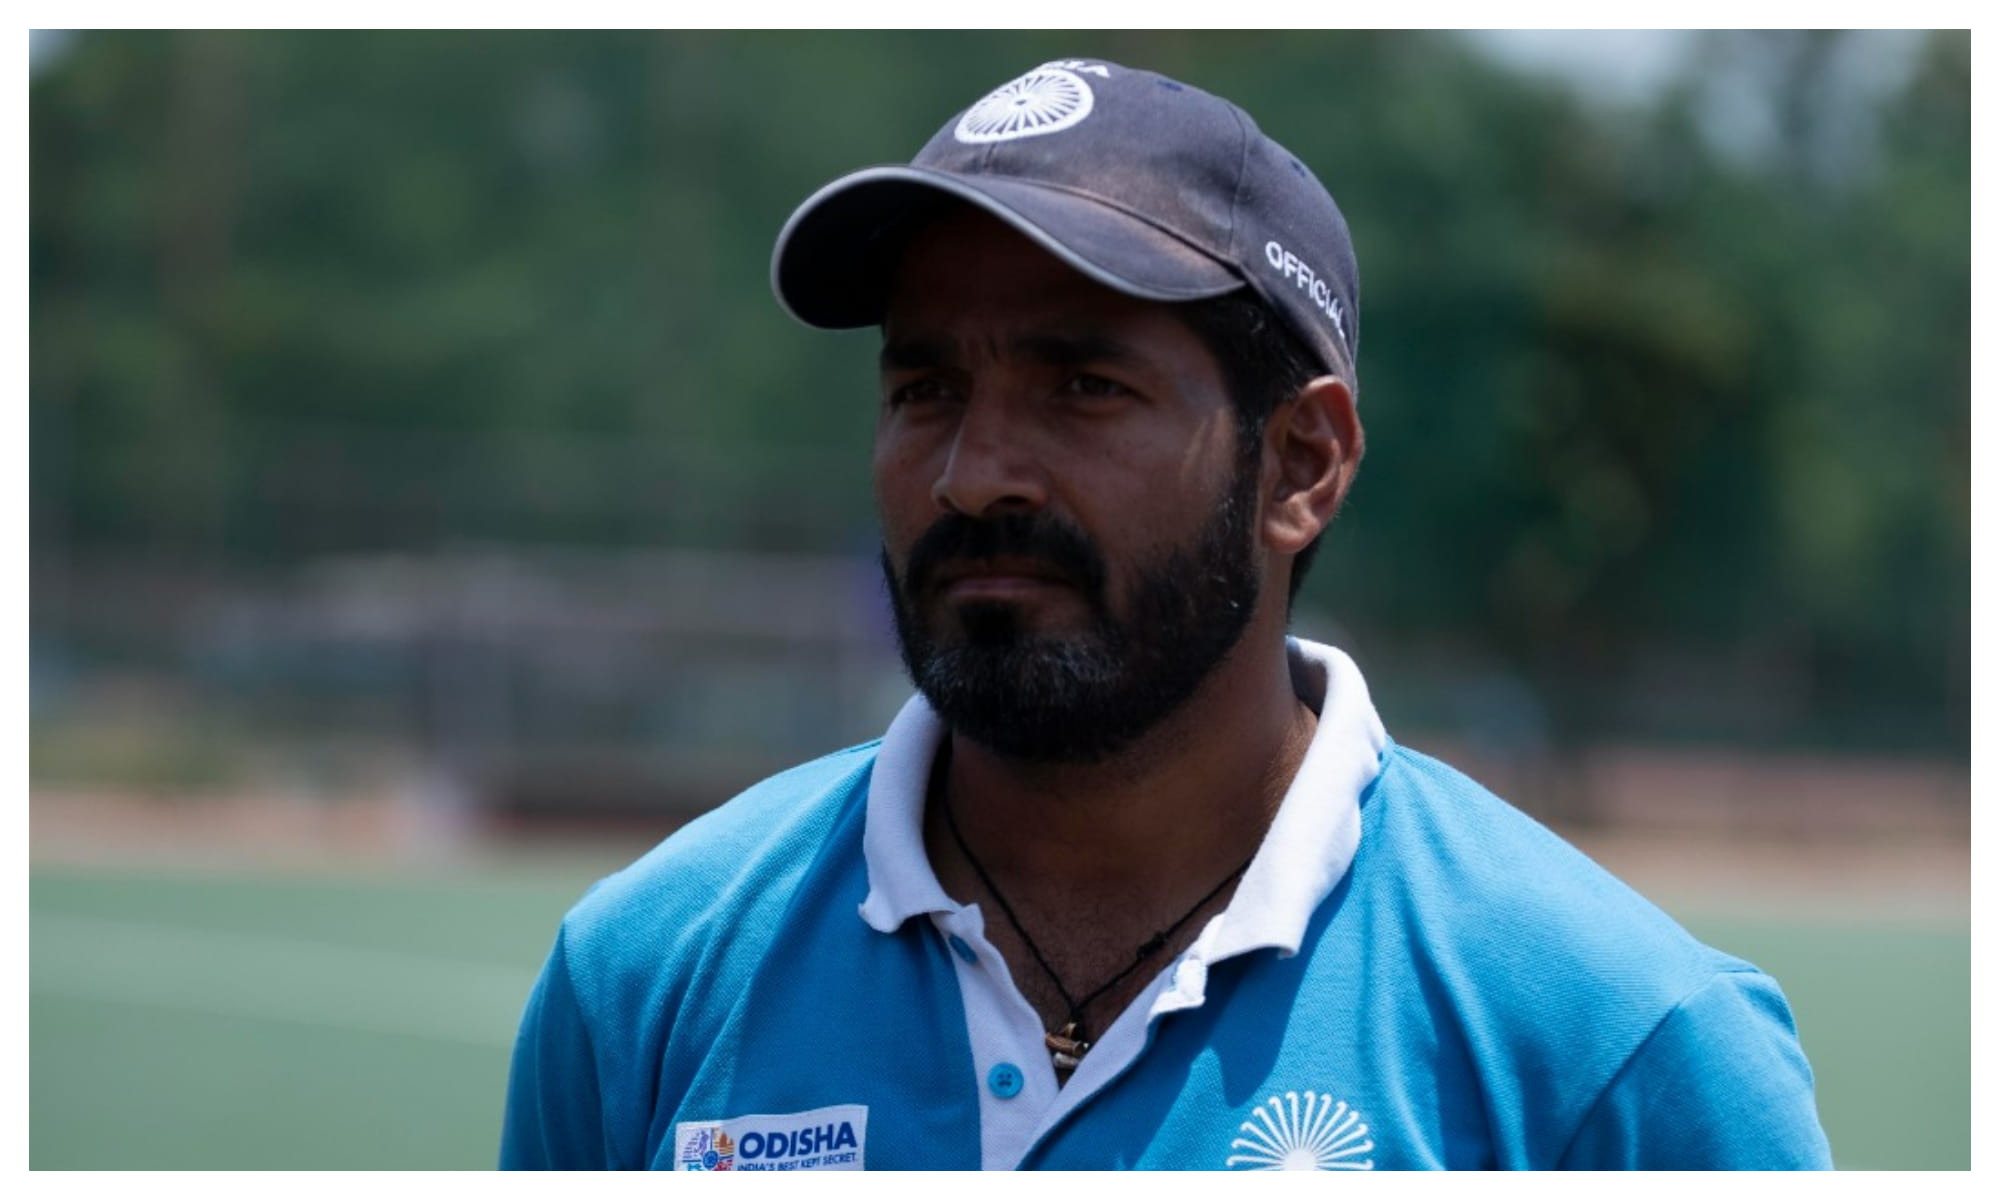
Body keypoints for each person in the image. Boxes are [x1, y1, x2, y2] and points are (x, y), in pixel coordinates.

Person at [499, 58, 1833, 1171]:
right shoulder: (643, 980)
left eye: (1083, 385)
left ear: (1302, 465)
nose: (974, 472)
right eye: (924, 389)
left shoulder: (1618, 1049)